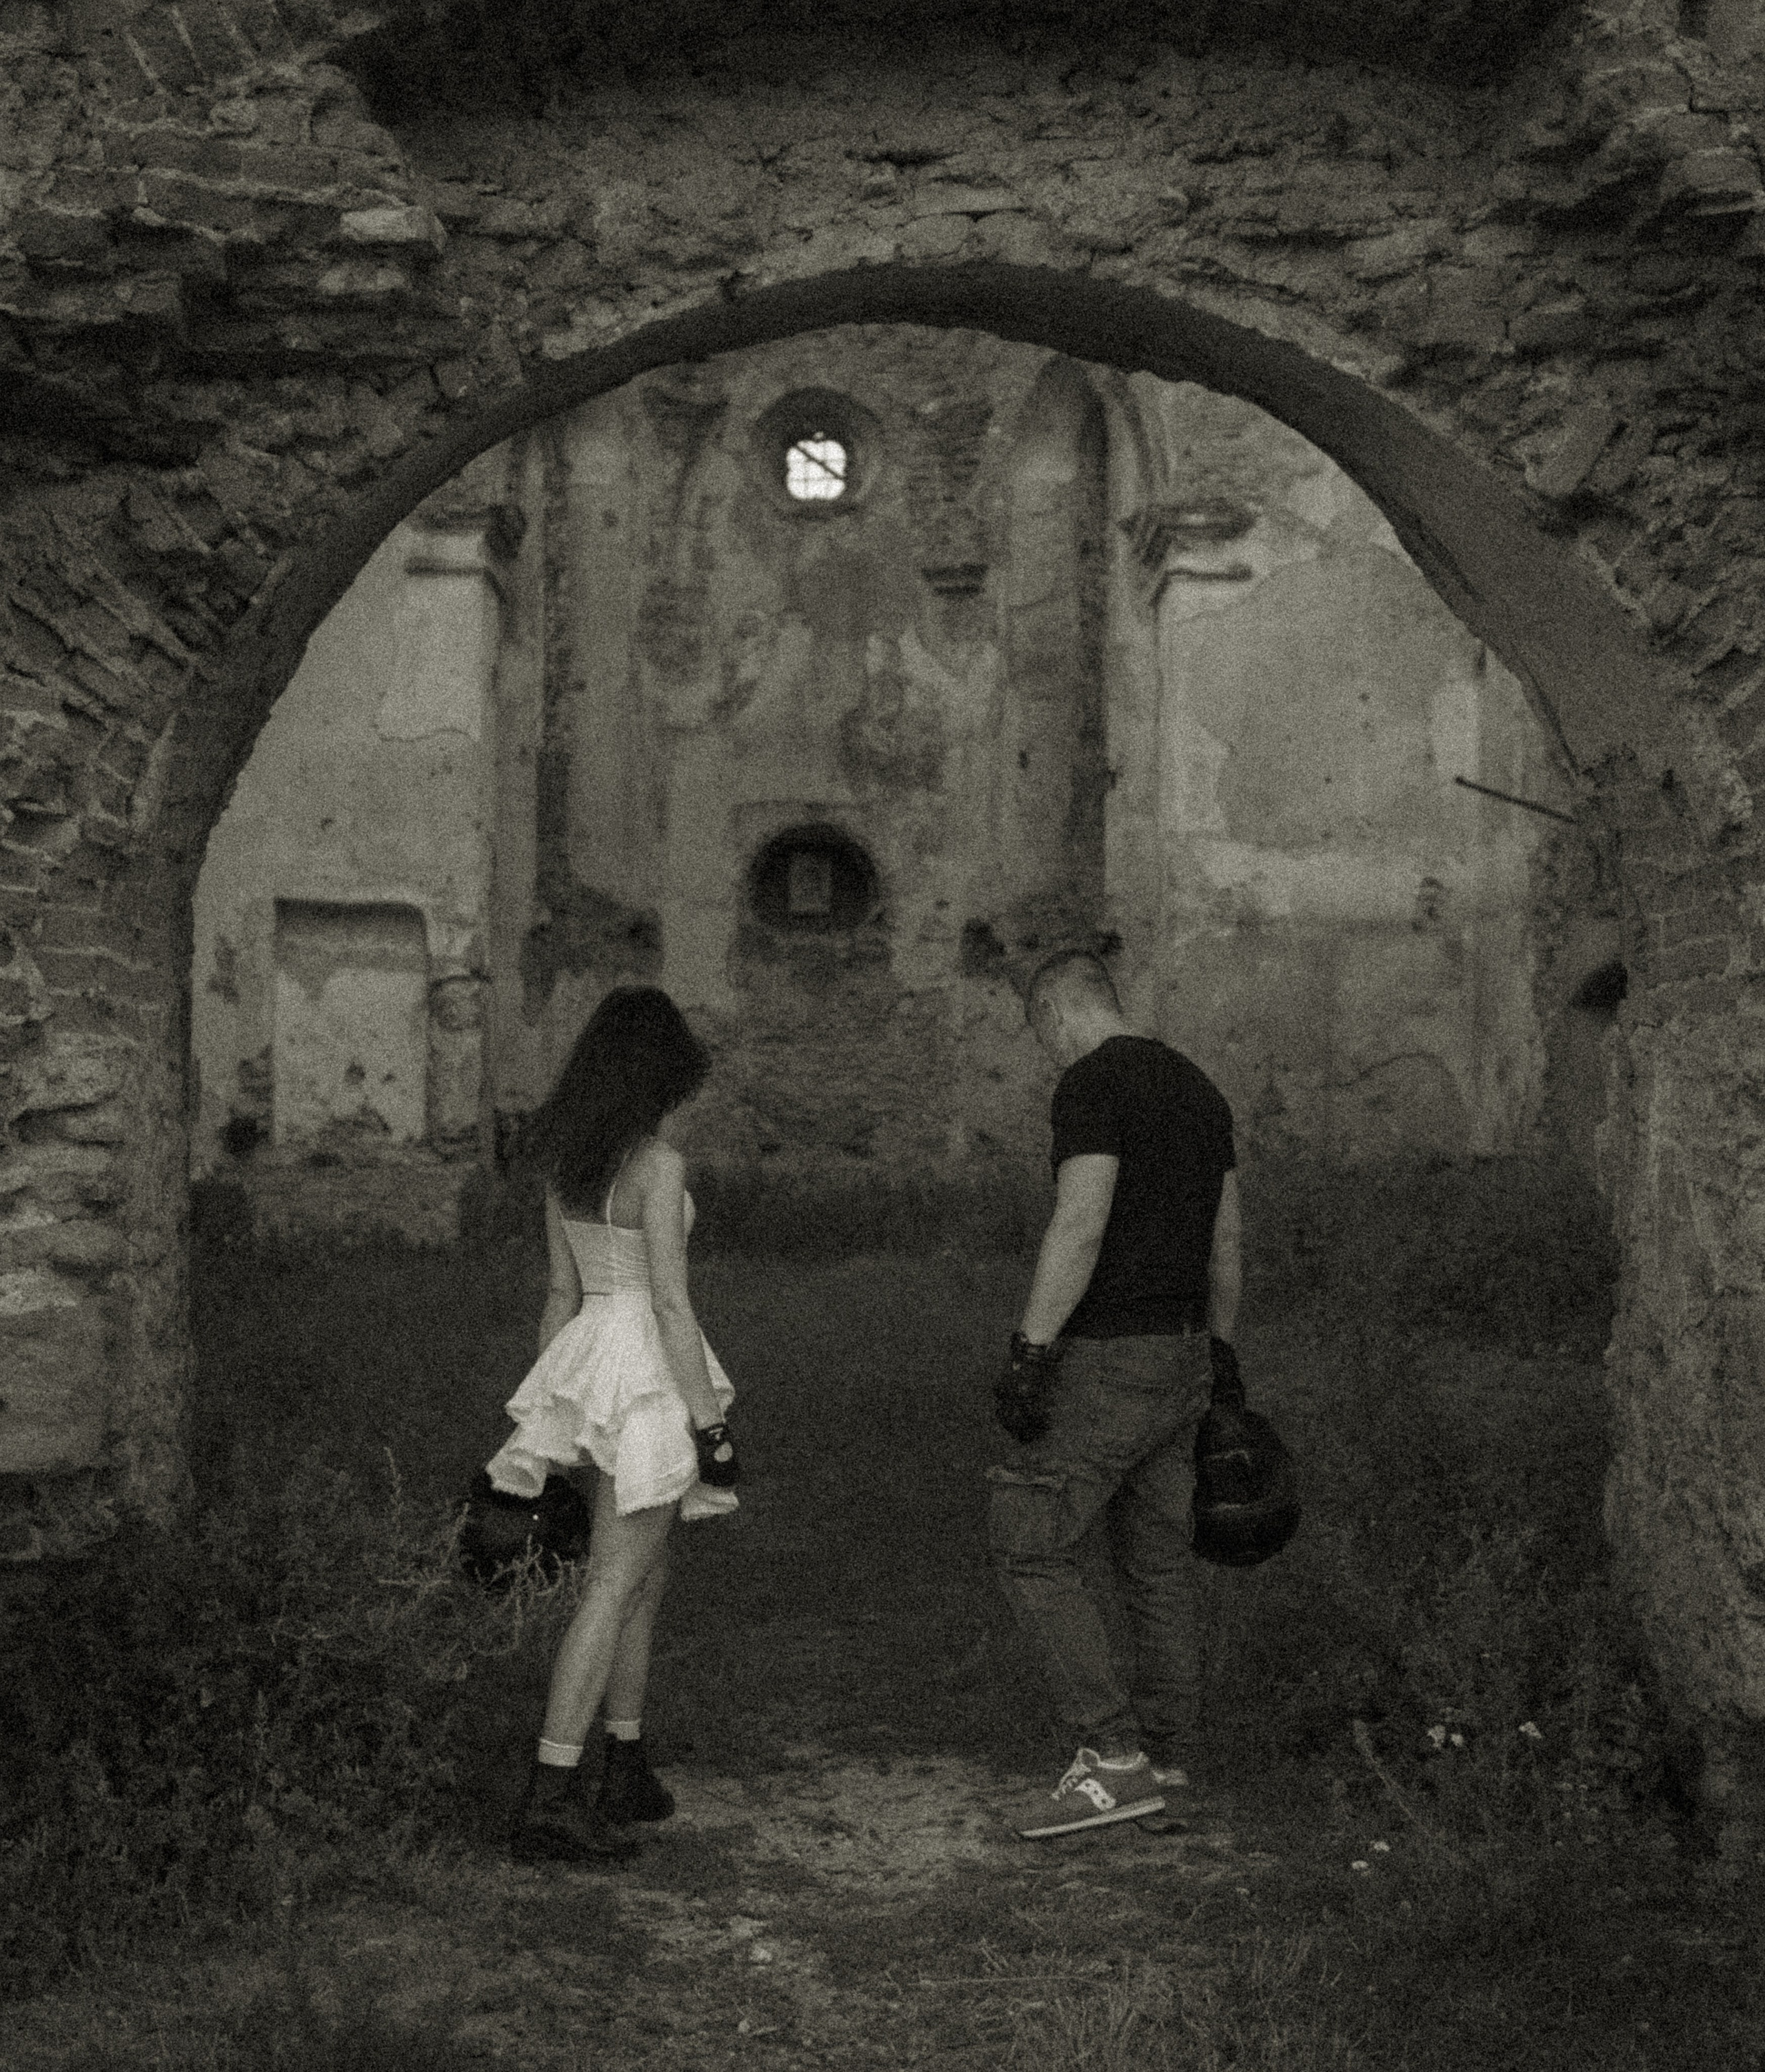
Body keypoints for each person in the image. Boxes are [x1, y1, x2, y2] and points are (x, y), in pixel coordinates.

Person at [484, 985, 741, 1866]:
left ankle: (623, 1763)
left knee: (644, 1571)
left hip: (593, 1353)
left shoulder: (568, 1163)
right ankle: (550, 1794)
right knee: (612, 1578)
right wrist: (711, 1428)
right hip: (644, 1368)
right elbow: (669, 1300)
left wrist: (548, 1413)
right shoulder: (657, 1166)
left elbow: (562, 1293)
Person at [989, 948, 1241, 1839]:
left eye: (1044, 1037)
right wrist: (1222, 1354)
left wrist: (1031, 1349)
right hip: (1184, 1355)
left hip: (1106, 1356)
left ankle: (1113, 1757)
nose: (1050, 1055)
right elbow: (1224, 1242)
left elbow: (1082, 1217)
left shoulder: (1093, 1084)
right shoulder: (1200, 1089)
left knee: (1031, 1542)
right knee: (1159, 1564)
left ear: (1059, 1014)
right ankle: (1169, 1761)